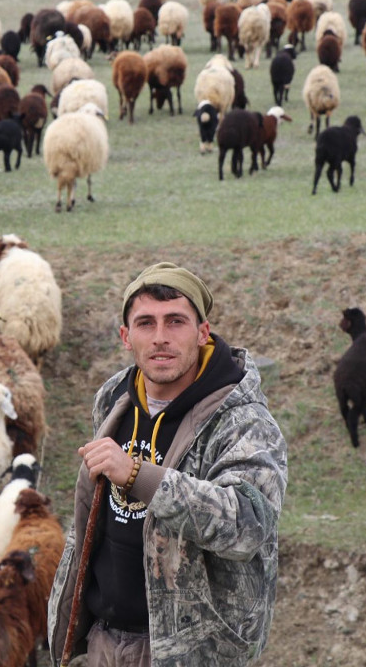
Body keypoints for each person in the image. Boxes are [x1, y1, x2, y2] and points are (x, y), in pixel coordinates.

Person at [48, 262, 289, 667]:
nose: (160, 338)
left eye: (175, 321)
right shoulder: (114, 398)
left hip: (188, 652)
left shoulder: (243, 420)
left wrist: (140, 476)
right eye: (146, 323)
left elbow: (248, 525)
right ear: (126, 337)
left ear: (202, 332)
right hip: (102, 642)